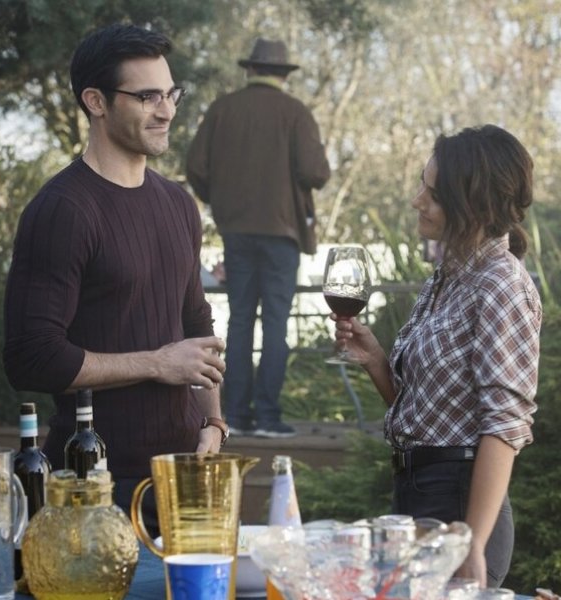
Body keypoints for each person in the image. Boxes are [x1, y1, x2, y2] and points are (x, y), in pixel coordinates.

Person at [2, 24, 227, 531]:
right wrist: (156, 363)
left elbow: (197, 327)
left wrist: (213, 423)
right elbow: (31, 357)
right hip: (92, 486)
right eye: (147, 97)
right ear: (96, 102)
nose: (166, 111)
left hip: (184, 476)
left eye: (171, 94)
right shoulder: (62, 210)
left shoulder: (179, 204)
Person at [332, 124, 541, 587]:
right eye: (422, 186)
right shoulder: (447, 276)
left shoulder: (501, 285)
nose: (417, 201)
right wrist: (375, 360)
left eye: (433, 194)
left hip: (459, 506)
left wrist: (472, 542)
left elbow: (504, 428)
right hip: (416, 495)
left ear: (472, 205)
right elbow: (427, 414)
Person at [186, 38, 331, 438]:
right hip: (282, 234)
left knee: (239, 323)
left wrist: (221, 200)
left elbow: (195, 166)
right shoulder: (296, 112)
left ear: (249, 69)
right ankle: (268, 417)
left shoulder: (222, 109)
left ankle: (233, 414)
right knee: (276, 325)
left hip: (236, 233)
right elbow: (316, 173)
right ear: (283, 74)